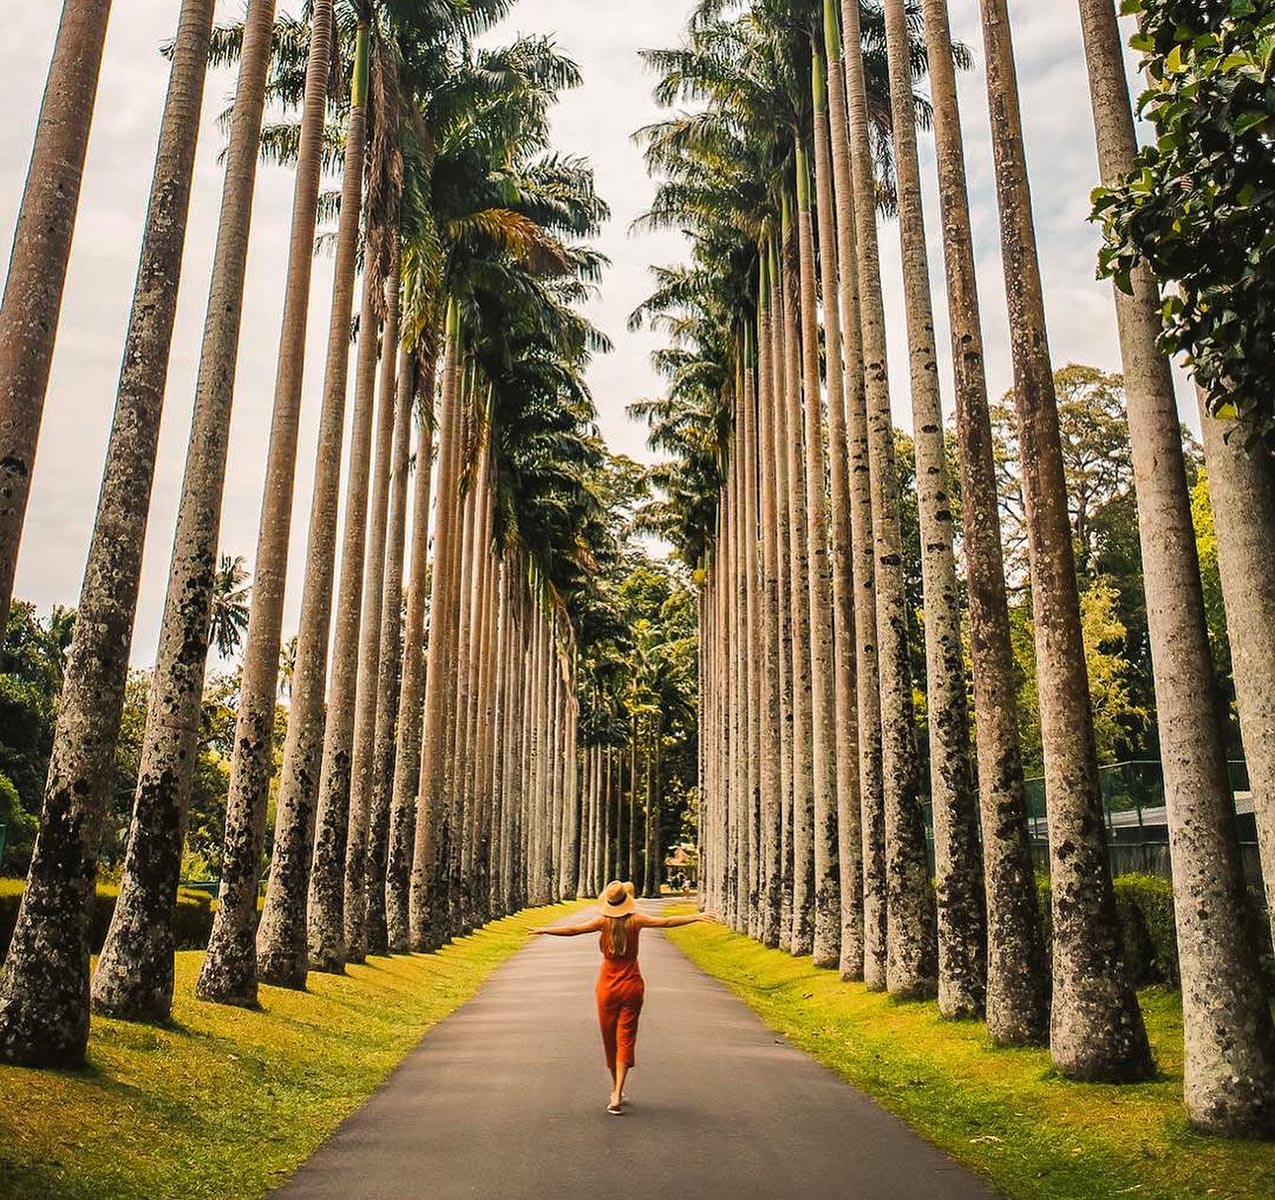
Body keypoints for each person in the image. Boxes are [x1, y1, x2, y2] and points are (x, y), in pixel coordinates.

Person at [530, 880, 715, 1114]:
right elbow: (666, 922)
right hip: (632, 985)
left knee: (610, 1038)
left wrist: (545, 930)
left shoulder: (602, 922)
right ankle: (617, 1091)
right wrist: (695, 917)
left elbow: (573, 930)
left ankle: (614, 1089)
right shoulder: (636, 920)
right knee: (625, 1037)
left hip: (607, 986)